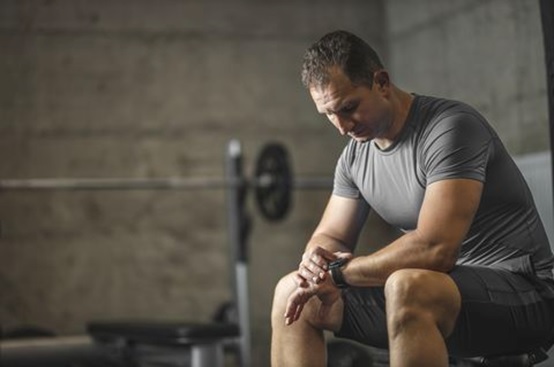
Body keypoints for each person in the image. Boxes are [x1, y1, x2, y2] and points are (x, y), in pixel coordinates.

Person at [271, 30, 554, 367]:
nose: (342, 126)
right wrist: (316, 265)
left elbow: (435, 250)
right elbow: (331, 236)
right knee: (293, 293)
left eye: (349, 107)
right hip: (438, 293)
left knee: (408, 285)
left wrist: (341, 273)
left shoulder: (450, 128)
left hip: (524, 296)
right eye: (329, 114)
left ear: (382, 82)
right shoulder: (354, 158)